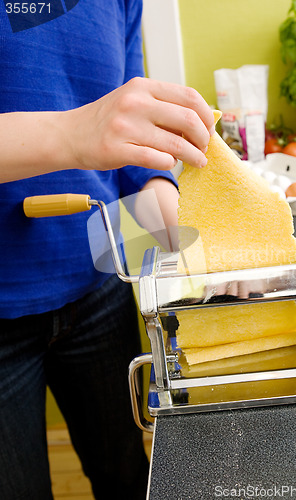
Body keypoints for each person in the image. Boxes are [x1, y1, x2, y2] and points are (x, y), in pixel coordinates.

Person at [0, 1, 214, 499]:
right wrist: (75, 133)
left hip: (104, 278)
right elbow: (96, 127)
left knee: (126, 471)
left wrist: (163, 195)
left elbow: (134, 143)